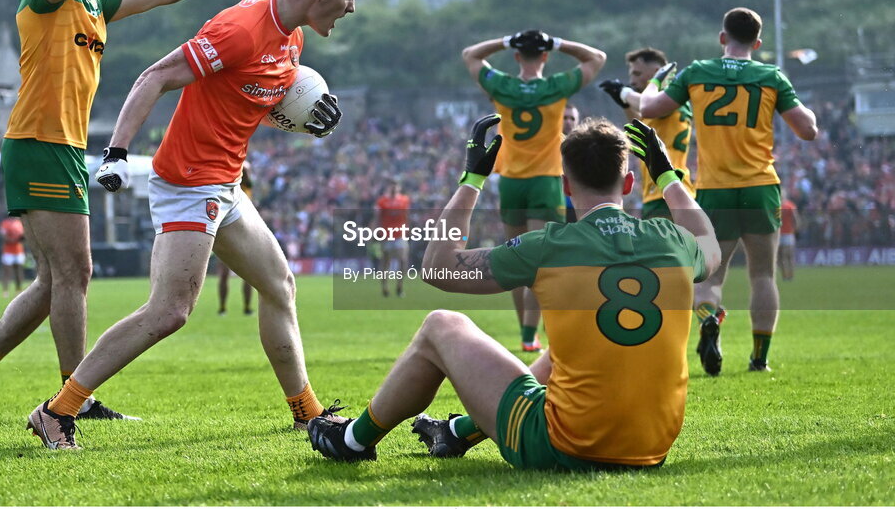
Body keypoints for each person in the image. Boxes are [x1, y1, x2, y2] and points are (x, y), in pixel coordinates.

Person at [0, 0, 282, 423]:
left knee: (54, 281)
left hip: (63, 149)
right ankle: (74, 397)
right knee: (76, 274)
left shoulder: (95, 1)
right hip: (40, 145)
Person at [26, 0, 369, 449]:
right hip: (189, 181)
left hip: (226, 183)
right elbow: (155, 76)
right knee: (169, 312)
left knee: (279, 286)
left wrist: (299, 120)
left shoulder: (293, 39)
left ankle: (307, 413)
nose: (351, 7)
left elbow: (247, 102)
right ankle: (57, 411)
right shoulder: (242, 29)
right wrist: (117, 152)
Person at [307, 115, 720, 468]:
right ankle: (457, 432)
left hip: (566, 445)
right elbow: (711, 243)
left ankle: (352, 442)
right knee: (569, 347)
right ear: (629, 182)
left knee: (441, 325)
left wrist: (472, 179)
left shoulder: (549, 246)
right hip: (653, 446)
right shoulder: (674, 241)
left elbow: (436, 267)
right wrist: (668, 175)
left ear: (566, 185)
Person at [640, 7, 818, 374]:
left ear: (722, 38)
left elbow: (650, 108)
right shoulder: (771, 77)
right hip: (760, 186)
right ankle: (759, 358)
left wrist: (655, 83)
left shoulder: (696, 72)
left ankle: (709, 318)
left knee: (711, 276)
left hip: (714, 190)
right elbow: (808, 130)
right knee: (763, 276)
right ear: (757, 42)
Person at [462, 30, 605, 352]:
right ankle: (531, 335)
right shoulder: (555, 87)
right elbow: (597, 58)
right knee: (541, 260)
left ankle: (525, 334)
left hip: (511, 181)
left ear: (516, 57)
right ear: (544, 57)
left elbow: (471, 53)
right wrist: (557, 42)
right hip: (545, 180)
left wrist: (504, 39)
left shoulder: (503, 85)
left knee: (516, 257)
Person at [599, 47, 695, 220]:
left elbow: (644, 104)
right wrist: (626, 104)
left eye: (637, 74)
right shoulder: (660, 105)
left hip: (666, 188)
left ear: (657, 73)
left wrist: (624, 92)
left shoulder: (667, 97)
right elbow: (639, 132)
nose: (633, 80)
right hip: (661, 189)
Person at [218, 161, 255, 315]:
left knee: (249, 274)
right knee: (225, 273)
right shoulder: (227, 186)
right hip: (228, 229)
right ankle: (223, 307)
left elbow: (248, 180)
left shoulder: (245, 188)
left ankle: (246, 307)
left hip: (244, 230)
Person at [375, 180, 411, 297]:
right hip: (387, 235)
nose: (394, 188)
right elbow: (378, 217)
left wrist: (408, 229)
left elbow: (406, 215)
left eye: (396, 185)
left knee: (403, 259)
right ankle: (385, 287)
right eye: (391, 185)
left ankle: (399, 287)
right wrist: (377, 232)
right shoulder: (382, 201)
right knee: (386, 262)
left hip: (400, 234)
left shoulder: (404, 200)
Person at [0, 216, 27, 298]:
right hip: (8, 251)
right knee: (7, 272)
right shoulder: (5, 223)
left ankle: (19, 290)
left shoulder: (19, 223)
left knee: (18, 272)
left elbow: (23, 236)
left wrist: (21, 238)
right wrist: (13, 240)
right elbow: (4, 237)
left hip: (18, 250)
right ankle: (5, 291)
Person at [778, 193, 798, 282]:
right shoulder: (790, 205)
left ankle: (786, 276)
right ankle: (789, 276)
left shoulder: (778, 205)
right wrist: (796, 230)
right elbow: (796, 219)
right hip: (786, 233)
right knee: (787, 256)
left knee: (783, 256)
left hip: (782, 233)